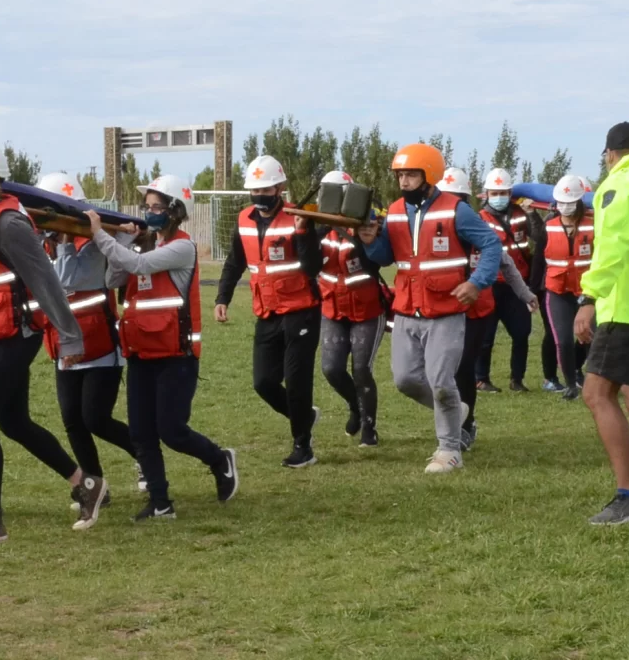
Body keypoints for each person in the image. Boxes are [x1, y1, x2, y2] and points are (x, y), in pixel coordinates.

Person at [0, 142, 107, 546]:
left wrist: (69, 337)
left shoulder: (9, 224)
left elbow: (47, 282)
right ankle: (86, 485)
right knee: (12, 422)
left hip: (16, 334)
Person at [85, 175, 237, 520]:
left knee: (172, 431)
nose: (149, 212)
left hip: (176, 355)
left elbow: (138, 266)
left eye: (157, 207)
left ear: (175, 210)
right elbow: (112, 280)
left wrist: (101, 235)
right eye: (147, 207)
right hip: (141, 351)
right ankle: (160, 502)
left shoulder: (182, 247)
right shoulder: (143, 244)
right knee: (140, 433)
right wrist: (126, 240)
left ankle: (219, 459)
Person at [359, 144, 502, 473]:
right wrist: (370, 242)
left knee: (440, 381)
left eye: (411, 174)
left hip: (446, 310)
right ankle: (456, 410)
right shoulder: (394, 210)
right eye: (400, 175)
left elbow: (491, 244)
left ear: (430, 175)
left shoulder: (457, 210)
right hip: (407, 309)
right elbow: (385, 257)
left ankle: (449, 449)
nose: (404, 181)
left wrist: (477, 282)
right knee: (405, 380)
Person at [37, 172, 139, 506]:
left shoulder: (92, 238)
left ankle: (145, 456)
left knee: (95, 418)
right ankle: (94, 487)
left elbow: (70, 278)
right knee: (72, 420)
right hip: (64, 343)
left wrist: (67, 242)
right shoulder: (45, 243)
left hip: (99, 343)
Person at [215, 156, 323, 468]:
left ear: (280, 188)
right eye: (254, 190)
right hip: (266, 310)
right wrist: (223, 297)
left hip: (301, 310)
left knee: (297, 380)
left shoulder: (298, 217)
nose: (258, 195)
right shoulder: (244, 218)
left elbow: (313, 266)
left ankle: (303, 445)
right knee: (263, 382)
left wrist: (303, 233)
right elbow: (235, 262)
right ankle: (303, 416)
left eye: (265, 189)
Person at [436, 168, 538, 451]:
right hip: (441, 311)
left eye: (455, 197)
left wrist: (526, 293)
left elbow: (507, 263)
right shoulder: (435, 229)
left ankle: (465, 427)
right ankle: (452, 425)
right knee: (441, 371)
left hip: (476, 309)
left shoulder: (475, 227)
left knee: (462, 368)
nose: (449, 203)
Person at [574, 121, 629, 525]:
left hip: (626, 309)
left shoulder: (621, 184)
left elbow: (613, 246)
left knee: (597, 394)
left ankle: (628, 495)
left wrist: (589, 296)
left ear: (611, 153)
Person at [316, 171, 386, 448]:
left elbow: (378, 263)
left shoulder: (369, 222)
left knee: (361, 370)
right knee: (331, 369)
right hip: (332, 307)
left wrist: (364, 236)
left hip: (366, 310)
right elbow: (309, 264)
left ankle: (369, 426)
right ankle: (355, 405)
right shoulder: (317, 226)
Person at [524, 175, 594, 401]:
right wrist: (533, 288)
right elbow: (537, 249)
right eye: (561, 202)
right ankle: (571, 385)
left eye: (570, 202)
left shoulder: (594, 224)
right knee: (562, 339)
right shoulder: (549, 226)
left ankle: (588, 376)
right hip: (557, 291)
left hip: (587, 291)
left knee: (589, 336)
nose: (565, 207)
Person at [475, 168, 533, 393]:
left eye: (503, 192)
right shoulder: (479, 218)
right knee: (486, 336)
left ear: (510, 193)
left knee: (522, 333)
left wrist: (534, 215)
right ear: (486, 194)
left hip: (516, 284)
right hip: (489, 284)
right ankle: (481, 379)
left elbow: (537, 237)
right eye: (494, 192)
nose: (499, 197)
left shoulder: (520, 213)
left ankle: (517, 380)